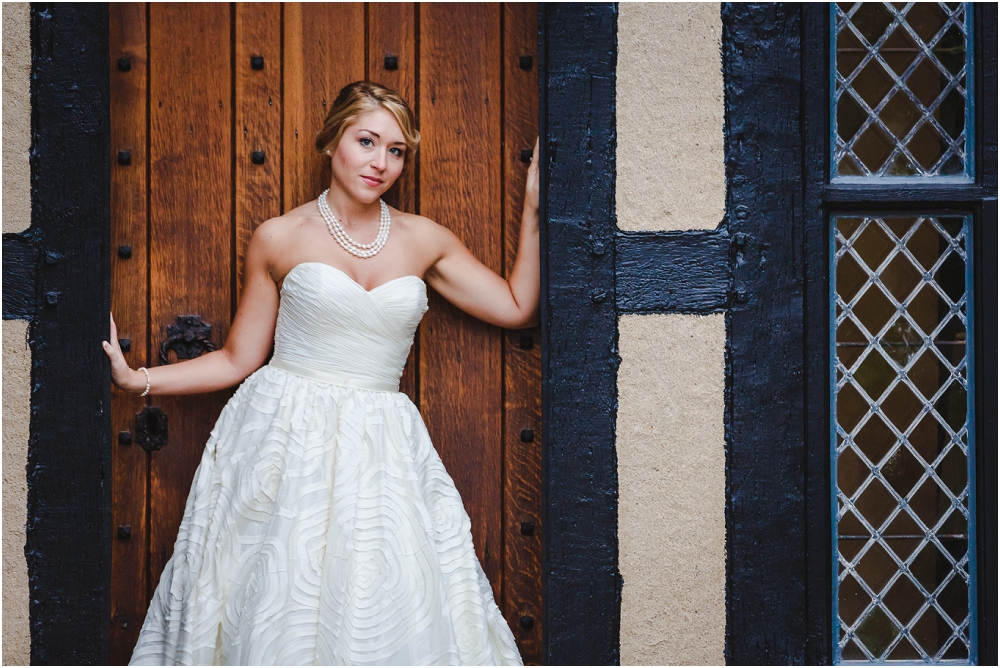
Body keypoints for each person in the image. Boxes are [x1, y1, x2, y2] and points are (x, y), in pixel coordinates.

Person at [103, 81, 537, 666]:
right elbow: (237, 358)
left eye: (397, 150)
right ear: (332, 141)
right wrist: (139, 379)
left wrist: (535, 208)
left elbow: (515, 306)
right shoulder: (279, 237)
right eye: (366, 141)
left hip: (380, 441)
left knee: (382, 602)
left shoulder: (425, 239)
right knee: (273, 600)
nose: (381, 163)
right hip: (283, 437)